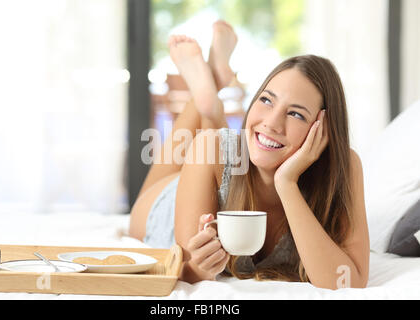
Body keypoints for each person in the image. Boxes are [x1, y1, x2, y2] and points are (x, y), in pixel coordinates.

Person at [129, 20, 370, 289]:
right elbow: (184, 269)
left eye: (295, 114)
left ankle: (210, 91)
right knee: (210, 146)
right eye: (266, 100)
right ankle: (205, 96)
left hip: (223, 165)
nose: (271, 122)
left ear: (323, 129)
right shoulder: (210, 149)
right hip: (172, 198)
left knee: (217, 148)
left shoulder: (345, 167)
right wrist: (198, 267)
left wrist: (287, 184)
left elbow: (350, 281)